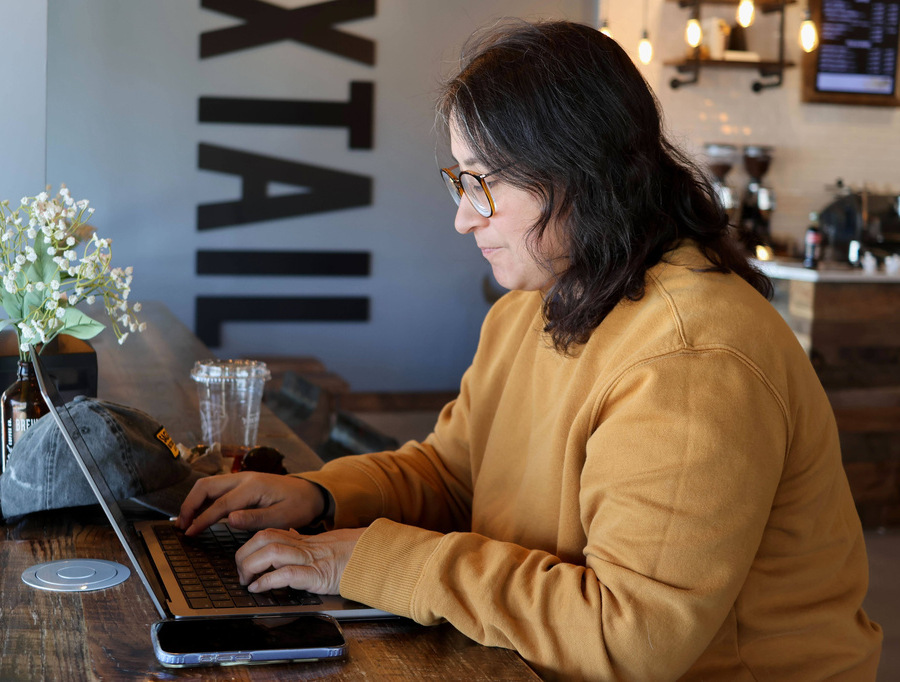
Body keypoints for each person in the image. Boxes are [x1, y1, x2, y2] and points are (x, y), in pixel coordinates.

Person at [177, 20, 882, 680]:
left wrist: (372, 559)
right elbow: (458, 474)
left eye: (482, 182)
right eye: (460, 180)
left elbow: (631, 636)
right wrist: (322, 496)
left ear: (579, 174)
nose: (461, 217)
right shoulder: (536, 302)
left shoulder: (690, 358)